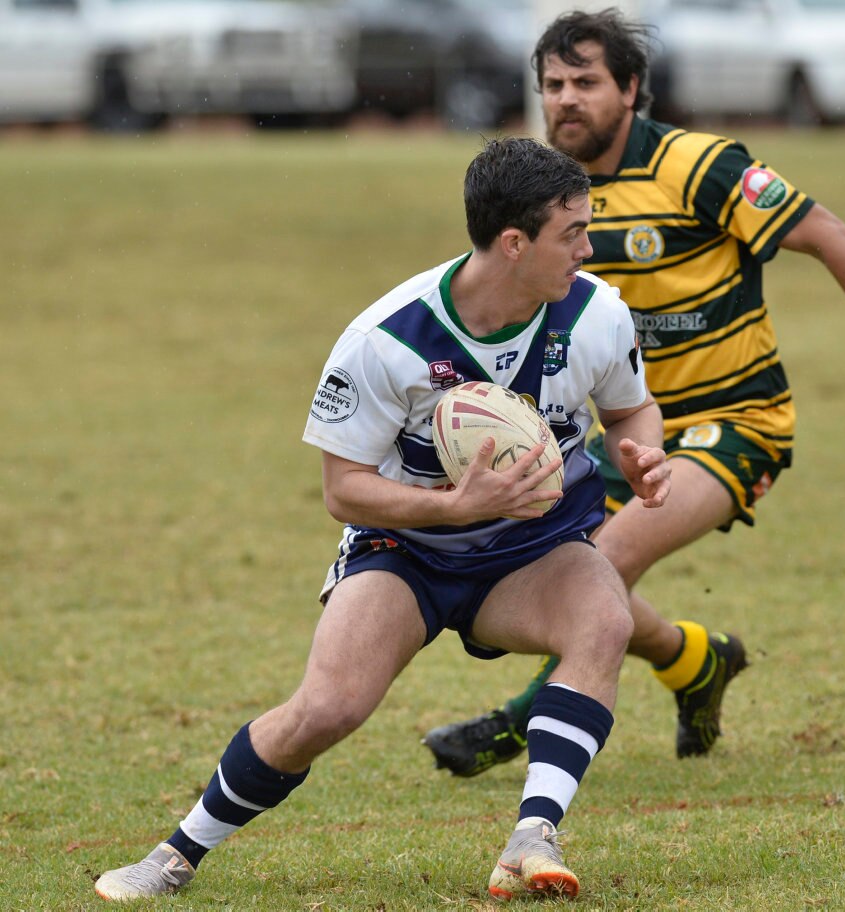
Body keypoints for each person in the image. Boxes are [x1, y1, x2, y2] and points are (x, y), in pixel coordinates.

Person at [93, 136, 670, 902]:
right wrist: (451, 507)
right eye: (572, 233)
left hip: (537, 550)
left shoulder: (596, 311)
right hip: (408, 552)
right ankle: (176, 855)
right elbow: (344, 490)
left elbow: (633, 410)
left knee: (603, 619)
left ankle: (534, 832)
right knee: (328, 708)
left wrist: (641, 454)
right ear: (512, 243)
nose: (586, 248)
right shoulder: (387, 340)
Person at [422, 8, 845, 778]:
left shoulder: (699, 167)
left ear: (631, 88)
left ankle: (516, 726)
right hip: (623, 432)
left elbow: (830, 235)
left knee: (600, 562)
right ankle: (692, 660)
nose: (567, 100)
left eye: (587, 83)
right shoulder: (542, 196)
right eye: (553, 85)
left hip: (735, 422)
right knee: (523, 579)